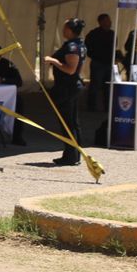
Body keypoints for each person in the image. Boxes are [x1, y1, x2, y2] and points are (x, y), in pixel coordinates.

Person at [44, 18, 87, 165]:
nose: (63, 30)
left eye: (65, 28)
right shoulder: (77, 44)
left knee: (68, 123)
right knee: (72, 122)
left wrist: (53, 61)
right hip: (69, 86)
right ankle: (74, 154)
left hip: (67, 88)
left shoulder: (73, 47)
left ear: (70, 30)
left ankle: (71, 156)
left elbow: (70, 69)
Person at [84, 13, 115, 107]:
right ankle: (91, 106)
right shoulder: (94, 34)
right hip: (98, 63)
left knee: (108, 85)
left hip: (109, 63)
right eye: (107, 20)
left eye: (109, 20)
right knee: (95, 85)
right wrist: (95, 56)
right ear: (101, 22)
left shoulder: (112, 34)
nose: (109, 22)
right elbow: (87, 47)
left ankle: (107, 106)